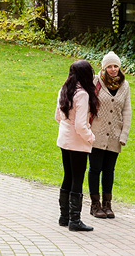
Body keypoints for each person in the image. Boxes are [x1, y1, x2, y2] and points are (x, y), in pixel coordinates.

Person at [55, 59, 98, 232]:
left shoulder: (64, 89)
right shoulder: (82, 94)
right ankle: (75, 220)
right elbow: (81, 125)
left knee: (68, 176)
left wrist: (67, 125)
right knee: (77, 179)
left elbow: (58, 116)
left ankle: (64, 217)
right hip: (77, 141)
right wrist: (91, 137)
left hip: (64, 139)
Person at [88, 52, 131, 219]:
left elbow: (127, 110)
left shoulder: (124, 85)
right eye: (110, 66)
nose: (113, 70)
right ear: (103, 68)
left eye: (116, 66)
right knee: (95, 169)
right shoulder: (95, 82)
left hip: (114, 134)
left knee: (109, 170)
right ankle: (95, 204)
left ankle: (107, 204)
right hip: (96, 133)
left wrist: (124, 134)